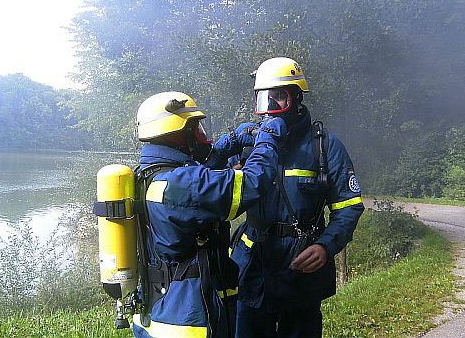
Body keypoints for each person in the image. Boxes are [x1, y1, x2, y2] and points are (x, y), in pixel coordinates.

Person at [131, 91, 287, 338]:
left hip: (159, 311)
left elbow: (196, 188)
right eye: (195, 128)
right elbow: (253, 182)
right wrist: (268, 137)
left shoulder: (151, 174)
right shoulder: (182, 184)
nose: (201, 135)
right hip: (187, 321)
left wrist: (222, 149)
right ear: (176, 133)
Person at [229, 57, 365, 338]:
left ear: (297, 97)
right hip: (254, 266)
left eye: (278, 99)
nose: (270, 110)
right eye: (263, 100)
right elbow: (215, 194)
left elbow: (349, 207)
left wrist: (326, 247)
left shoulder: (324, 146)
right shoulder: (246, 143)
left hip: (301, 268)